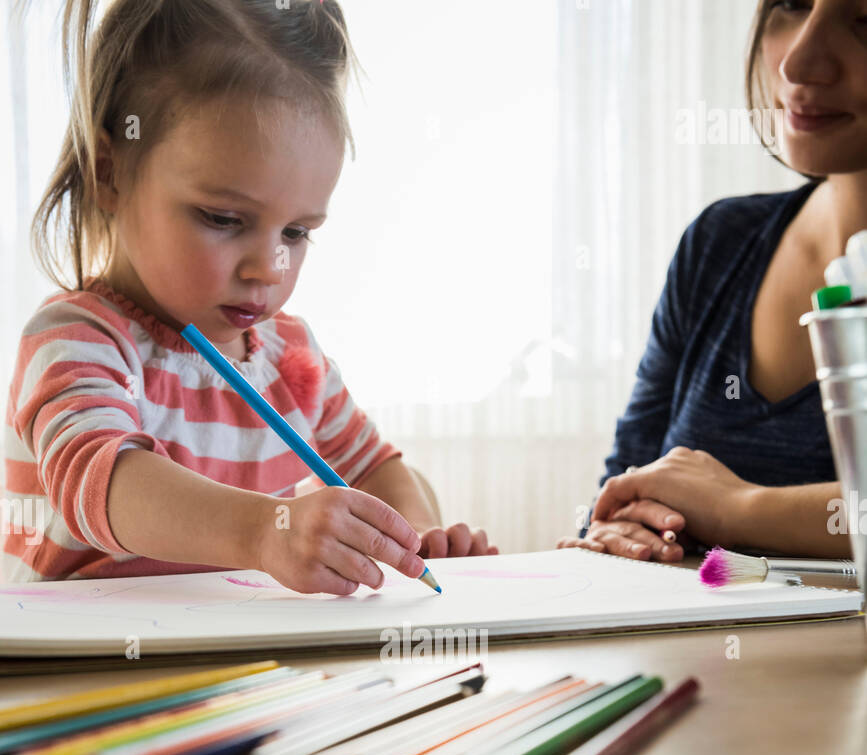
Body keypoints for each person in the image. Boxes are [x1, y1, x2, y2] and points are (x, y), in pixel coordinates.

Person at [4, 0, 497, 588]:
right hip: (90, 673)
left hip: (255, 671)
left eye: (297, 231)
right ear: (108, 173)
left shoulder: (291, 356)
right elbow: (104, 482)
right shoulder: (76, 338)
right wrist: (264, 530)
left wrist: (410, 540)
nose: (269, 266)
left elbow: (376, 467)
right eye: (223, 218)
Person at [560, 0, 867, 564]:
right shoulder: (719, 243)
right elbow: (620, 485)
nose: (798, 64)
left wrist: (738, 508)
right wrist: (609, 529)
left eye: (865, 20)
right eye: (793, 5)